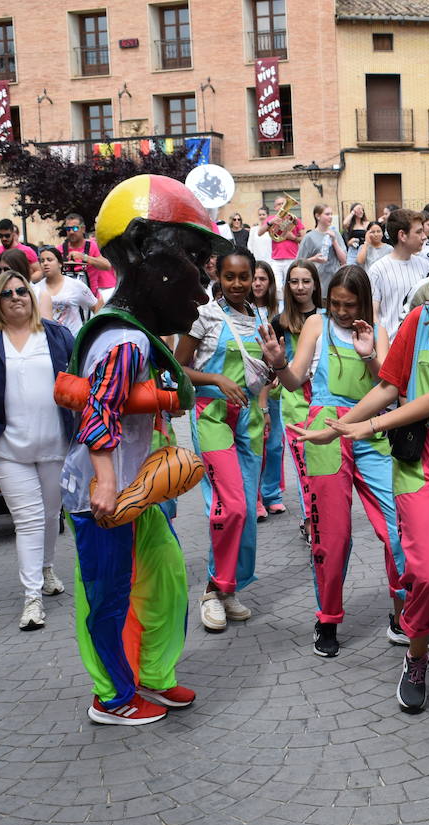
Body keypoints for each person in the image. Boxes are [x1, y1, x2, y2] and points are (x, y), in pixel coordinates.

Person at [294, 248, 429, 709]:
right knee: (425, 571)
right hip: (416, 459)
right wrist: (337, 427)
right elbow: (388, 385)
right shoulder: (418, 321)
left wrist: (367, 426)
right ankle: (417, 652)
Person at [61, 175, 224, 725]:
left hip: (137, 489)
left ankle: (153, 677)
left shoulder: (134, 334)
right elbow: (100, 408)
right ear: (139, 254)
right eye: (193, 258)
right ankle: (111, 697)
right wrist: (105, 484)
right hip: (104, 497)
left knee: (167, 577)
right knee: (107, 598)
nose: (202, 284)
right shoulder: (124, 339)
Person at [264, 265, 406, 658]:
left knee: (398, 527)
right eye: (336, 304)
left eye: (350, 304)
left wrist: (370, 355)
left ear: (363, 300)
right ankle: (327, 619)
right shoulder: (316, 323)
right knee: (333, 535)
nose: (342, 312)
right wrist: (278, 361)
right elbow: (293, 381)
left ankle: (403, 616)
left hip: (372, 433)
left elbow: (391, 385)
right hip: (325, 431)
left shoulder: (377, 328)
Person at [0, 270, 75, 630]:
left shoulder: (57, 335)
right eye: (7, 294)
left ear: (31, 294)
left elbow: (82, 379)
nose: (16, 297)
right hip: (9, 448)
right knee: (28, 521)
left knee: (52, 515)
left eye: (22, 290)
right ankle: (32, 598)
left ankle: (46, 568)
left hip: (56, 444)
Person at [176, 247, 271, 632]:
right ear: (219, 276)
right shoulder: (203, 315)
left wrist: (264, 401)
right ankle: (212, 591)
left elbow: (266, 372)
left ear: (254, 279)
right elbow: (178, 366)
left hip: (250, 422)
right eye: (229, 277)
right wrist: (215, 379)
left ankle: (229, 587)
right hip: (213, 417)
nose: (237, 284)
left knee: (247, 511)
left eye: (244, 277)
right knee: (230, 506)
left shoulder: (261, 319)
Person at [271, 260, 325, 534]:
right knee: (305, 468)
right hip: (294, 403)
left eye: (306, 281)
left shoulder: (329, 316)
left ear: (315, 284)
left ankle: (323, 518)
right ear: (287, 285)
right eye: (294, 281)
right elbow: (276, 368)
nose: (300, 287)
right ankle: (311, 520)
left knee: (325, 466)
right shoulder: (279, 323)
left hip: (326, 401)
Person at [253, 262, 287, 517]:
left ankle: (272, 493)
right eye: (253, 278)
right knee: (255, 443)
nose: (257, 283)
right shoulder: (242, 310)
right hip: (252, 386)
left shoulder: (280, 312)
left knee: (275, 444)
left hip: (276, 386)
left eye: (262, 278)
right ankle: (254, 497)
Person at [368, 208, 429, 340]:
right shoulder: (378, 270)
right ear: (402, 235)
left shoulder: (424, 265)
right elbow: (373, 315)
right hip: (391, 346)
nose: (424, 236)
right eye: (419, 232)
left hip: (419, 344)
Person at [0, 248, 54, 331]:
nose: (2, 274)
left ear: (20, 269)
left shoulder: (40, 294)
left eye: (6, 269)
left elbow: (47, 329)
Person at [35, 246, 101, 337]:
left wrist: (93, 332)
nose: (45, 263)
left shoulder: (75, 285)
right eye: (42, 261)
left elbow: (96, 306)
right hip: (49, 340)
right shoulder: (36, 289)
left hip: (74, 339)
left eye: (49, 260)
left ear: (60, 264)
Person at [58, 212, 116, 297]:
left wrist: (84, 257)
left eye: (74, 228)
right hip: (68, 299)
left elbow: (107, 266)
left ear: (83, 229)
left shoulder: (92, 246)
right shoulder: (59, 249)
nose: (71, 232)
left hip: (92, 298)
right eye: (68, 229)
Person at [295, 204, 348, 295]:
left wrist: (334, 241)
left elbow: (344, 260)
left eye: (331, 214)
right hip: (318, 281)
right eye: (327, 214)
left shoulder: (335, 233)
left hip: (335, 279)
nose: (330, 217)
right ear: (318, 216)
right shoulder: (309, 237)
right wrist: (314, 259)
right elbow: (298, 263)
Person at [267, 195, 305, 282]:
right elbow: (261, 232)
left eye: (283, 204)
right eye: (278, 204)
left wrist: (293, 238)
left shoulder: (295, 219)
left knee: (290, 286)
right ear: (275, 207)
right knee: (277, 287)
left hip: (292, 258)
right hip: (276, 259)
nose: (281, 206)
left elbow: (304, 239)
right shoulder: (271, 220)